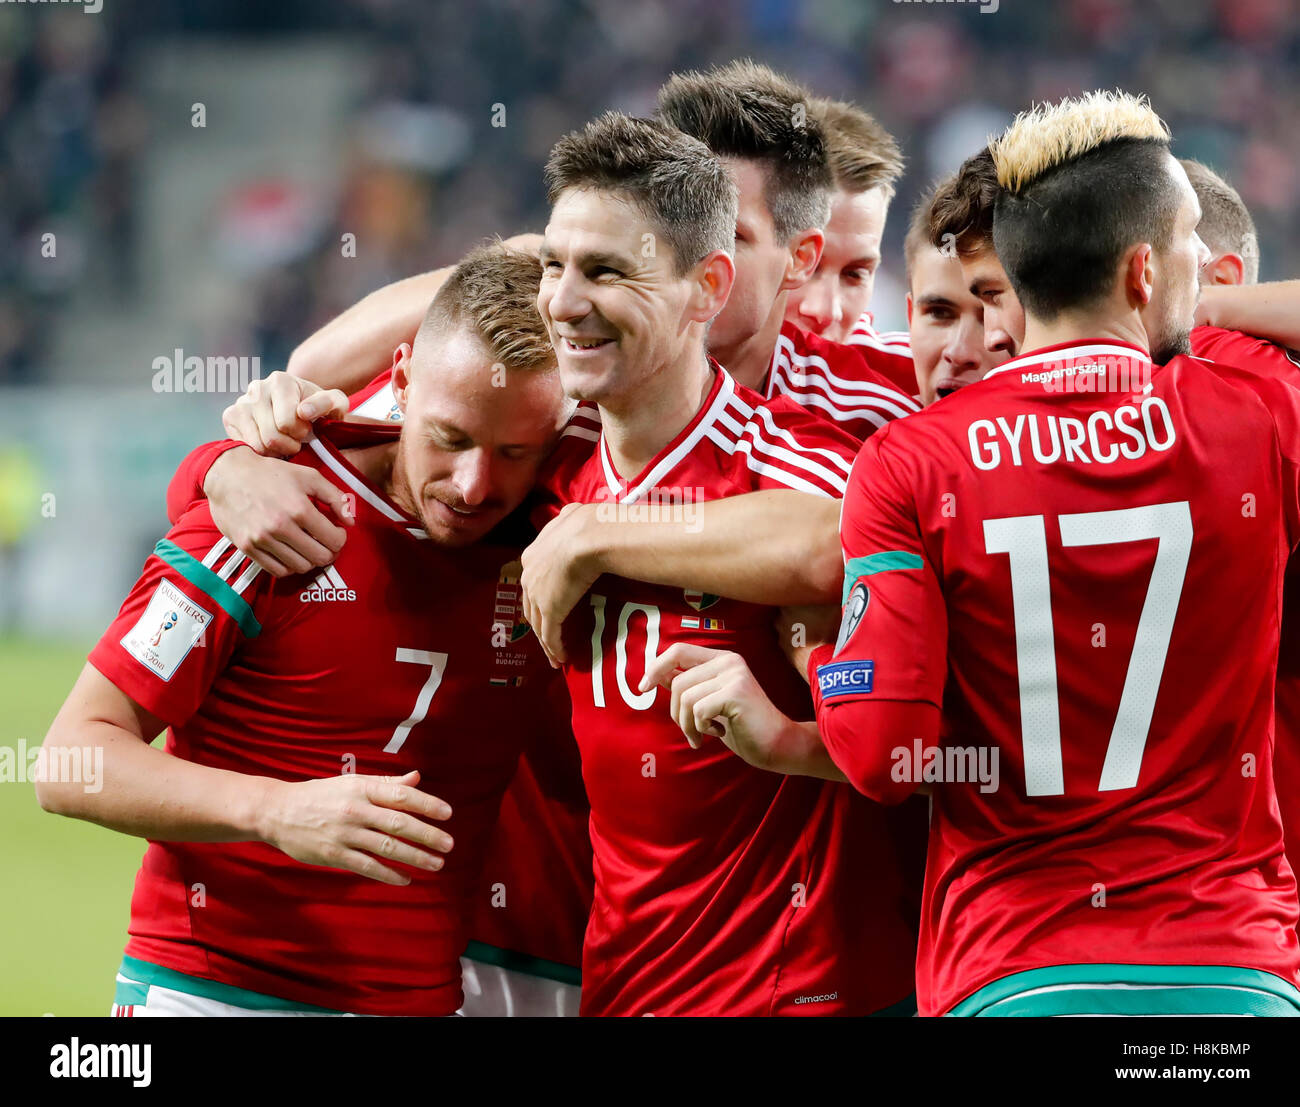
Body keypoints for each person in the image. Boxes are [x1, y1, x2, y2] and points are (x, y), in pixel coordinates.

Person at [647, 91, 1300, 1016]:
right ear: (1146, 272)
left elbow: (889, 755)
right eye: (1191, 244)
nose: (1208, 268)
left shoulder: (915, 461)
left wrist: (811, 670)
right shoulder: (1258, 407)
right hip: (1232, 978)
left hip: (1013, 970)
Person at [36, 245, 572, 1016]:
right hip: (214, 992)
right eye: (450, 438)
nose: (473, 484)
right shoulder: (274, 507)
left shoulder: (551, 530)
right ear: (400, 381)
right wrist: (278, 810)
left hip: (419, 1000)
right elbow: (71, 759)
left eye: (513, 452)